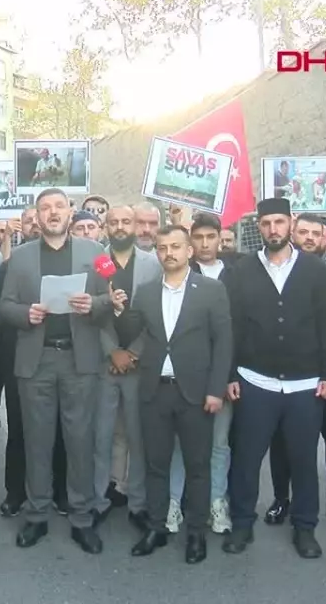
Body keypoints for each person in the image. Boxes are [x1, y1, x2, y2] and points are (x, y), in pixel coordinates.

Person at [0, 188, 114, 554]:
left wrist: (93, 303)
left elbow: (112, 299)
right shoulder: (19, 257)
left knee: (80, 441)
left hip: (80, 360)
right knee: (37, 440)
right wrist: (25, 314)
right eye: (45, 207)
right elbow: (4, 305)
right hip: (37, 360)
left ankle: (82, 518)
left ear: (70, 212)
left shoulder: (96, 253)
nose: (53, 213)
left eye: (59, 206)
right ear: (36, 216)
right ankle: (36, 515)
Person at [222, 197, 326, 560]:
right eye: (266, 223)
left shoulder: (314, 269)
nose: (273, 229)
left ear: (291, 223)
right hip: (256, 381)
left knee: (304, 461)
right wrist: (230, 374)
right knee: (246, 460)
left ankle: (305, 527)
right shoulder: (241, 270)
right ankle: (242, 523)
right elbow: (231, 326)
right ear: (259, 227)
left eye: (279, 222)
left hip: (304, 385)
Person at [121, 225, 233, 563]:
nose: (169, 253)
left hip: (196, 393)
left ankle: (196, 533)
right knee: (155, 463)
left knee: (198, 465)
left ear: (189, 251)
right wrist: (117, 309)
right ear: (157, 252)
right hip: (155, 391)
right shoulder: (145, 292)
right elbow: (131, 333)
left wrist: (216, 390)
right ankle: (156, 527)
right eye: (162, 247)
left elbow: (223, 342)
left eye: (175, 246)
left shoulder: (211, 290)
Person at [266, 212, 326, 524]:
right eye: (304, 232)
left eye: (317, 233)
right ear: (293, 233)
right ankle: (281, 498)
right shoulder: (275, 269)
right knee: (282, 443)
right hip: (288, 372)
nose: (310, 238)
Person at [93, 205, 160, 531]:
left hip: (139, 363)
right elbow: (91, 314)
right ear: (106, 226)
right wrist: (112, 351)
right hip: (103, 363)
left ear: (135, 225)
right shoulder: (95, 262)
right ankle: (97, 501)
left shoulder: (153, 264)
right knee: (101, 436)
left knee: (138, 436)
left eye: (126, 221)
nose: (120, 226)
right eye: (114, 222)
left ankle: (138, 503)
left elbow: (158, 315)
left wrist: (132, 352)